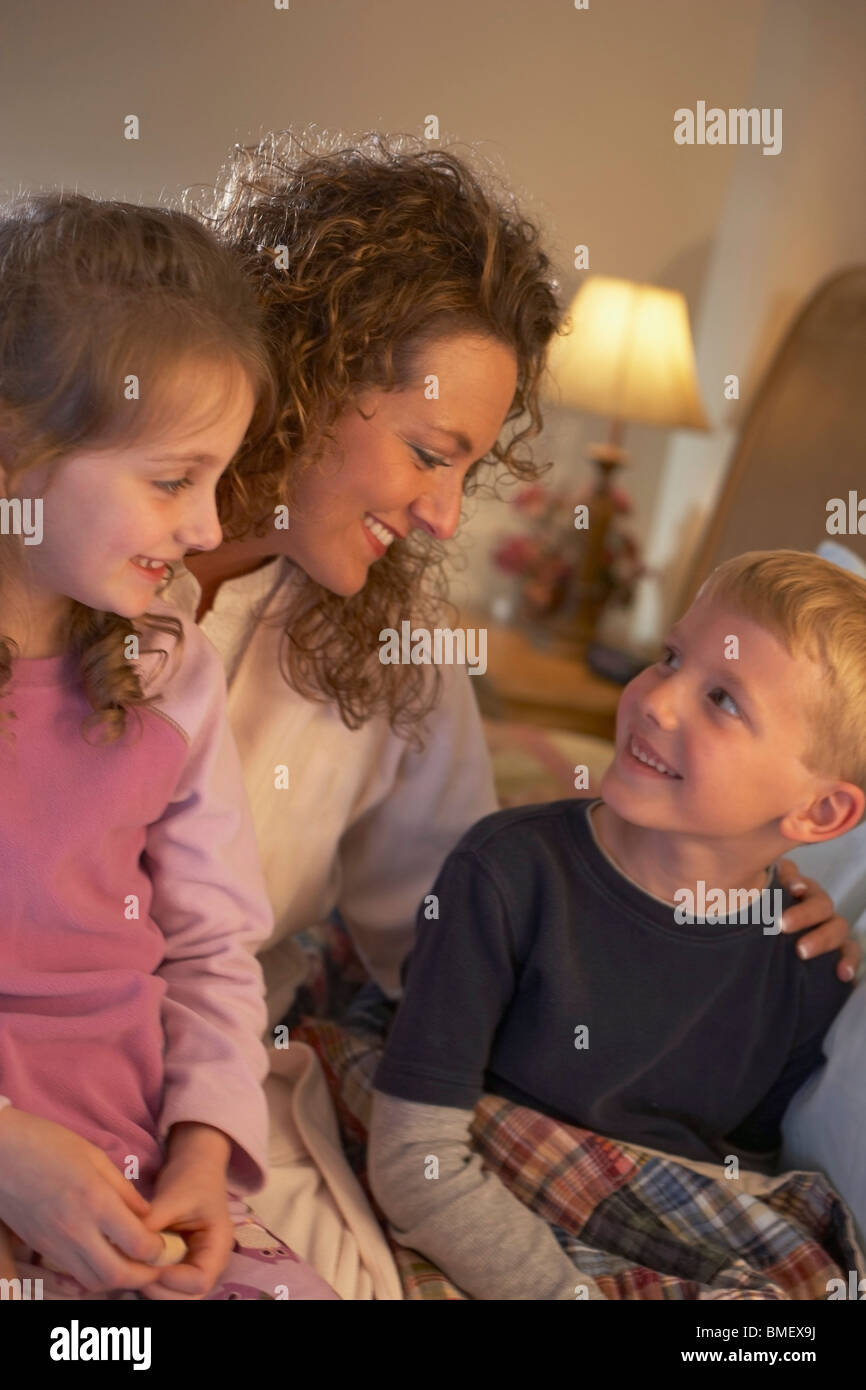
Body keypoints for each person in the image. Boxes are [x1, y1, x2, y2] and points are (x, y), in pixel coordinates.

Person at [167, 132, 854, 1297]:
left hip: (214, 1076)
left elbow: (469, 936)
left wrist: (733, 876)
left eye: (466, 470)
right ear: (303, 373)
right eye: (428, 454)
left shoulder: (390, 651)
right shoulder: (65, 558)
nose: (443, 516)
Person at [0, 191, 337, 1301]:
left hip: (134, 1169)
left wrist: (202, 1145)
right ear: (17, 453)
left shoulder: (170, 671)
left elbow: (209, 949)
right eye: (169, 479)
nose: (206, 529)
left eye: (216, 478)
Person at [367, 550, 866, 1300]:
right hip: (495, 1219)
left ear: (819, 812)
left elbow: (741, 1183)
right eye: (670, 657)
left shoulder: (805, 963)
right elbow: (413, 1157)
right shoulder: (505, 875)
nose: (659, 701)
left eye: (724, 700)